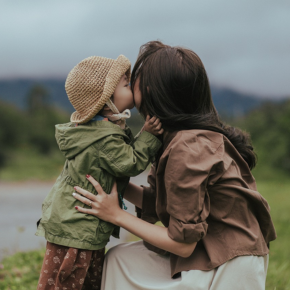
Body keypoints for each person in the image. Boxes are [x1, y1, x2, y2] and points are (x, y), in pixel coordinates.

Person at [72, 41, 277, 290]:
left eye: (132, 80)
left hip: (230, 263)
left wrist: (116, 214)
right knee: (119, 260)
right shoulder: (174, 137)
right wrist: (110, 181)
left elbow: (182, 242)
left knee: (123, 262)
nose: (128, 84)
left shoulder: (188, 146)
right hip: (209, 248)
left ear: (150, 90)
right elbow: (161, 202)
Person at [35, 54, 164, 290]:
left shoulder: (100, 129)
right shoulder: (103, 137)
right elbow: (129, 163)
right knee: (71, 280)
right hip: (77, 227)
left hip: (76, 223)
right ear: (106, 102)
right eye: (126, 85)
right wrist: (149, 136)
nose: (131, 86)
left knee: (82, 279)